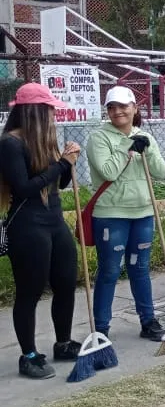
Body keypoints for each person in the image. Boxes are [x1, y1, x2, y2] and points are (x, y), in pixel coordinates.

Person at [1, 84, 81, 379]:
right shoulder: (10, 143)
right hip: (28, 224)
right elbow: (24, 188)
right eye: (50, 110)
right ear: (35, 112)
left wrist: (68, 161)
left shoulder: (46, 140)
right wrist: (61, 164)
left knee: (66, 282)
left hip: (54, 221)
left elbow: (56, 184)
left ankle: (63, 342)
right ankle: (29, 355)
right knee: (30, 292)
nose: (54, 115)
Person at [87, 86, 165, 342]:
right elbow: (109, 172)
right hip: (111, 213)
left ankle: (148, 321)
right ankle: (101, 328)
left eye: (123, 106)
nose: (118, 111)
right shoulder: (99, 137)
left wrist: (148, 149)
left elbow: (161, 172)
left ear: (135, 107)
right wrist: (127, 147)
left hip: (143, 212)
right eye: (112, 107)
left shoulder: (144, 135)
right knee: (110, 270)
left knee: (140, 268)